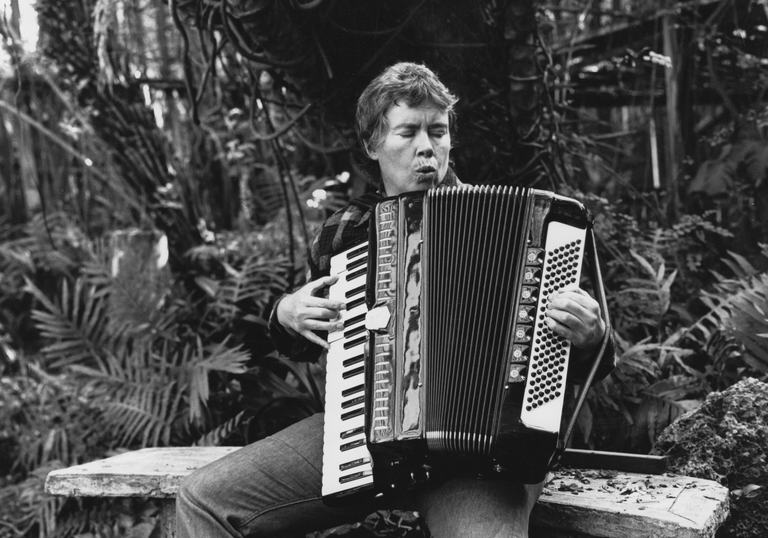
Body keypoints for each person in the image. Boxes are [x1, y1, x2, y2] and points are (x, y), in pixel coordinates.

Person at [176, 62, 614, 538]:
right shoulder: (344, 233)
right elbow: (304, 343)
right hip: (361, 437)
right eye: (408, 132)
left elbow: (593, 360)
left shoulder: (522, 229)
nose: (427, 147)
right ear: (373, 144)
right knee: (204, 500)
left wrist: (591, 334)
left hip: (482, 463)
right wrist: (285, 312)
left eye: (438, 131)